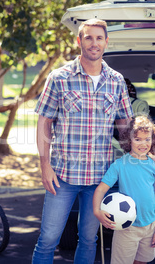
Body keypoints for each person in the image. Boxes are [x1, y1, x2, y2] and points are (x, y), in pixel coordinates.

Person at [31, 18, 134, 264]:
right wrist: (45, 165)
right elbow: (44, 123)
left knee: (89, 239)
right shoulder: (59, 77)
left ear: (107, 42)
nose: (94, 43)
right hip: (62, 176)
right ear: (79, 41)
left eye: (99, 38)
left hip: (99, 179)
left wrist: (144, 156)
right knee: (48, 239)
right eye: (88, 37)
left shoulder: (116, 81)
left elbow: (125, 128)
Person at [93, 115, 155, 264]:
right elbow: (100, 189)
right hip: (127, 228)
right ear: (129, 140)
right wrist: (96, 211)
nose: (143, 143)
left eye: (147, 139)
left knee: (142, 261)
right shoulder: (120, 165)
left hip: (150, 226)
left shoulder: (154, 166)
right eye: (137, 139)